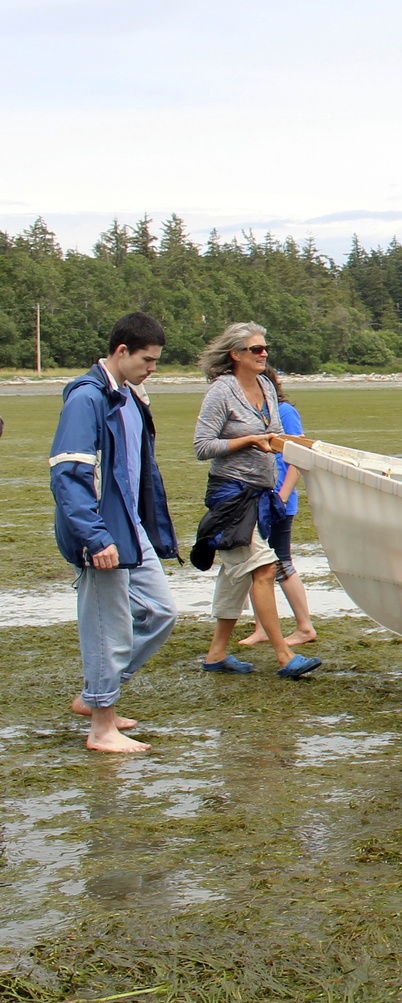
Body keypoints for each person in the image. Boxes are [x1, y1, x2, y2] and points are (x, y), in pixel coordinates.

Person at [49, 312, 181, 753]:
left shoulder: (128, 396)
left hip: (129, 526)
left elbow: (134, 471)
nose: (153, 369)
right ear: (121, 351)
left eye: (157, 361)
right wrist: (94, 537)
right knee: (108, 629)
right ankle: (102, 727)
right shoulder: (86, 399)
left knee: (161, 612)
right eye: (147, 359)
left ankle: (95, 696)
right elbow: (69, 473)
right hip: (102, 533)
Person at [192, 323, 320, 679]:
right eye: (256, 349)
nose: (264, 354)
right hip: (230, 495)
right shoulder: (222, 392)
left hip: (259, 496)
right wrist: (247, 440)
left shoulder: (265, 386)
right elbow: (202, 446)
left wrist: (306, 449)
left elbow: (275, 437)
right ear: (236, 355)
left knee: (235, 576)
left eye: (265, 348)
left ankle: (216, 654)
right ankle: (284, 656)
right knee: (264, 567)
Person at [238, 369, 315, 648]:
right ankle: (262, 627)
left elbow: (299, 457)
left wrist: (282, 497)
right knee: (255, 563)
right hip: (254, 500)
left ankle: (304, 626)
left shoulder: (284, 411)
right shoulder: (252, 414)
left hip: (277, 501)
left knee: (281, 561)